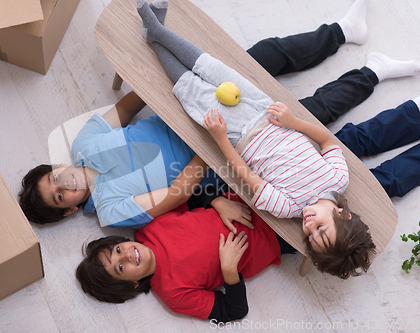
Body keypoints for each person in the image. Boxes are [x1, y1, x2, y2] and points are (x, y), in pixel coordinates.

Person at [19, 0, 420, 233]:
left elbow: (127, 107)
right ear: (71, 209)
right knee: (318, 108)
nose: (63, 182)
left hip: (191, 116)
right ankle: (373, 71)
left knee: (261, 56)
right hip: (216, 157)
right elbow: (175, 196)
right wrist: (212, 141)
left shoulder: (83, 144)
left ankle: (341, 31)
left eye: (54, 176)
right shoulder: (109, 209)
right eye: (60, 194)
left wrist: (161, 67)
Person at [135, 0, 420, 278]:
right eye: (320, 228)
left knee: (189, 88)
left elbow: (244, 173)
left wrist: (221, 138)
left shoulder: (287, 208)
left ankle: (155, 33)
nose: (309, 227)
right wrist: (293, 121)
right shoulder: (338, 179)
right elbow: (328, 141)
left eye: (309, 237)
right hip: (268, 111)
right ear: (343, 215)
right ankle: (156, 31)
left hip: (238, 132)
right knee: (211, 66)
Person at [76, 191, 285, 322]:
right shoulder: (174, 295)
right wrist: (230, 270)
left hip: (249, 193)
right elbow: (233, 312)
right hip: (277, 236)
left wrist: (217, 201)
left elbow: (189, 194)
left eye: (118, 250)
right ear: (132, 284)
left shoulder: (148, 226)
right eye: (120, 268)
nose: (126, 256)